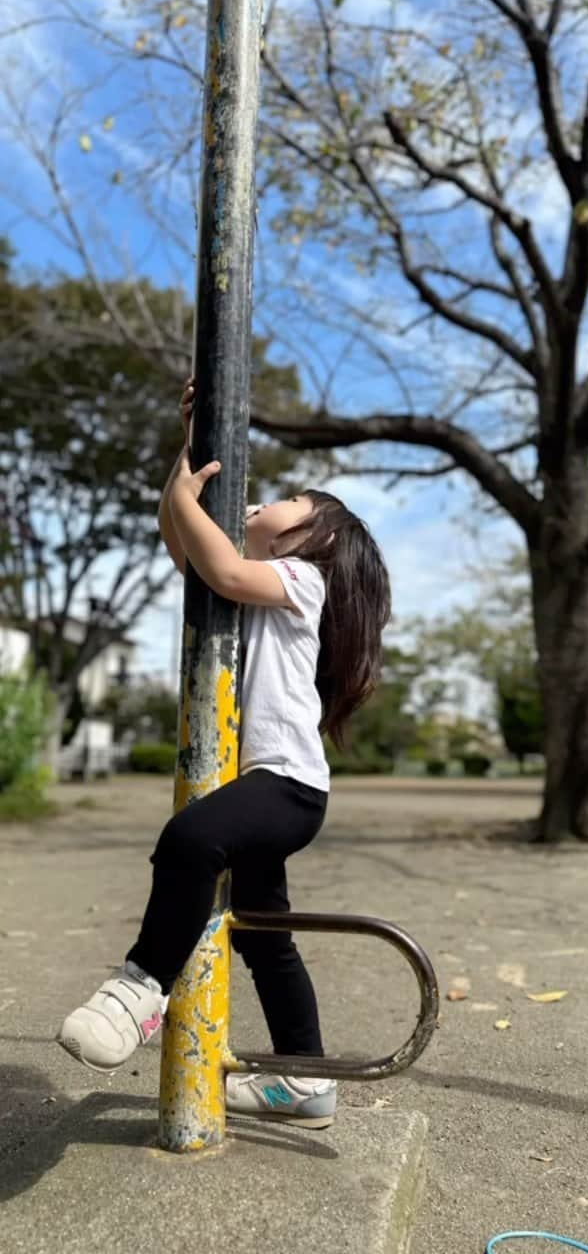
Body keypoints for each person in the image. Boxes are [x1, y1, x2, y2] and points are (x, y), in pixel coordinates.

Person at [57, 376, 392, 1130]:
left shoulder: (303, 581)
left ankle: (141, 989)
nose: (256, 502)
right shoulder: (258, 590)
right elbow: (186, 545)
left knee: (192, 837)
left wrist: (192, 487)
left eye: (284, 501)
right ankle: (306, 1081)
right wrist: (189, 457)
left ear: (319, 538)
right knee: (266, 935)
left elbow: (221, 563)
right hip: (269, 790)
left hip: (286, 785)